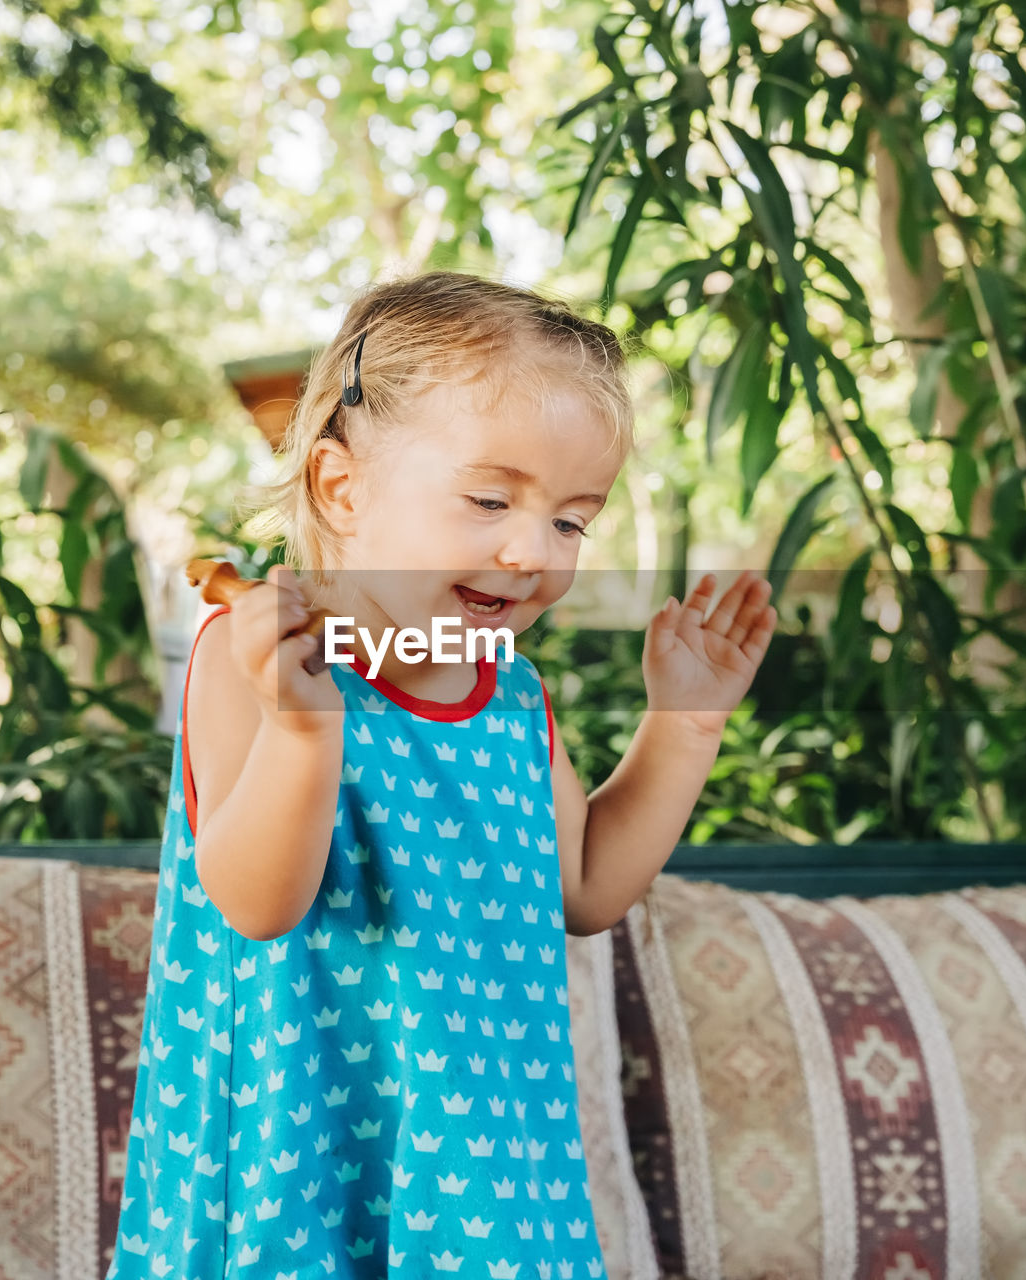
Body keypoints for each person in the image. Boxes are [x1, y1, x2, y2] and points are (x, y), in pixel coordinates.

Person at [105, 270, 777, 1279]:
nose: (530, 548)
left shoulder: (507, 695)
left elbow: (586, 883)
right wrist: (303, 731)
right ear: (342, 486)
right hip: (306, 1151)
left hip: (489, 1163)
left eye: (569, 519)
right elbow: (255, 901)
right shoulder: (260, 656)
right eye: (490, 497)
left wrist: (683, 726)